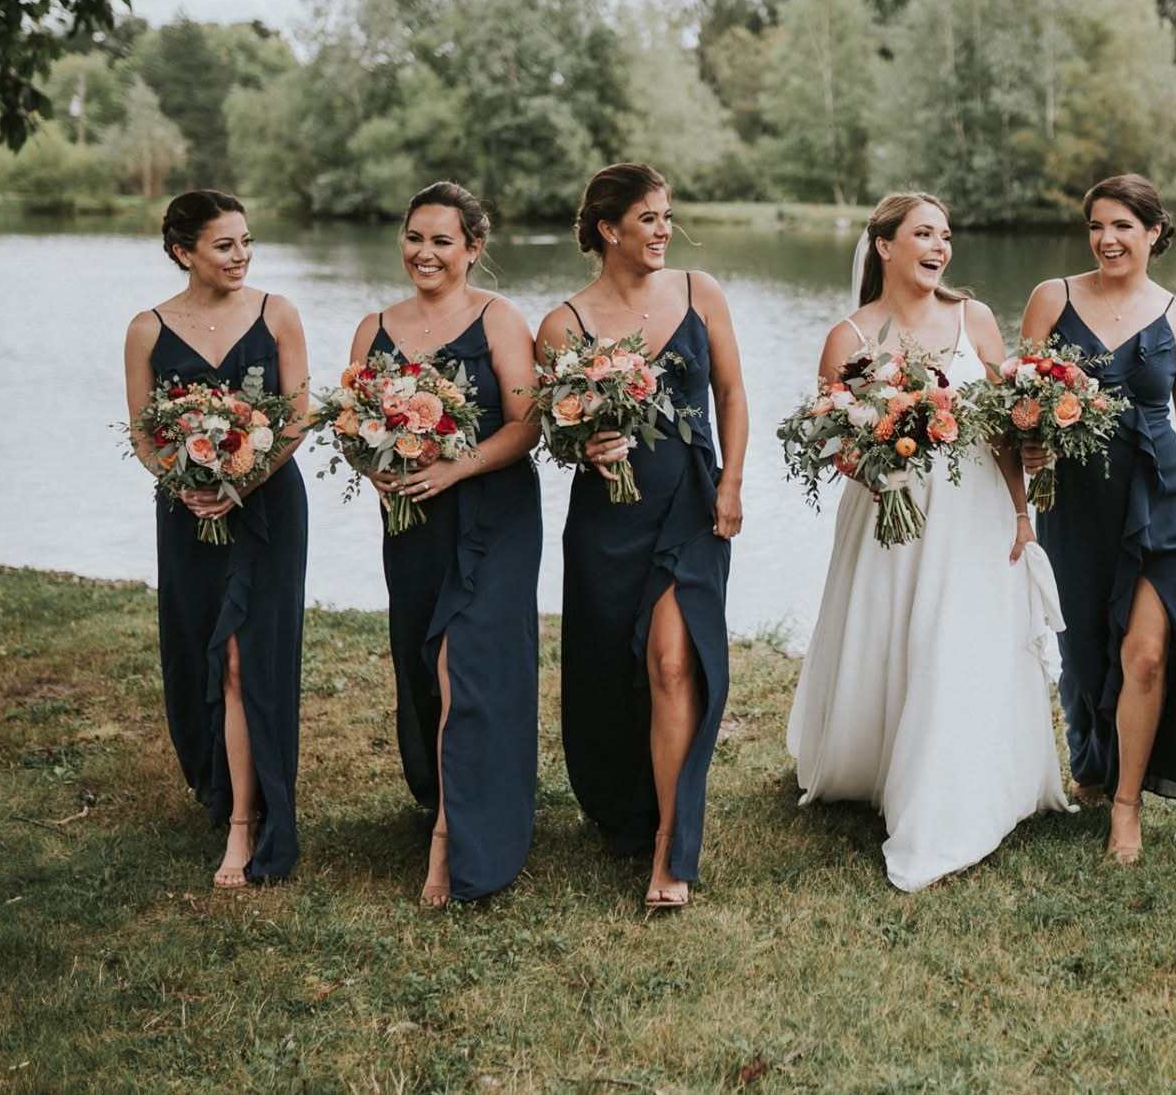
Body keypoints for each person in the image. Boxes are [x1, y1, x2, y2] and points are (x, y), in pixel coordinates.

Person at [787, 192, 1069, 891]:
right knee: (897, 639)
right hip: (893, 514)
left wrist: (1022, 511)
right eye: (923, 233)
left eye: (945, 234)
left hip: (974, 510)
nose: (940, 245)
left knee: (959, 641)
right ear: (884, 245)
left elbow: (1004, 425)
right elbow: (829, 439)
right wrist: (883, 468)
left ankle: (960, 788)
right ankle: (885, 766)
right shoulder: (851, 335)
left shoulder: (974, 317)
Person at [1021, 174, 1176, 864]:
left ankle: (1127, 806)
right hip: (1077, 499)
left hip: (1162, 495)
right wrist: (1028, 446)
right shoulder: (1052, 298)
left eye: (1123, 225)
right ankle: (1092, 763)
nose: (1107, 239)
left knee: (1147, 652)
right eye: (1097, 225)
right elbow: (1021, 402)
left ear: (1155, 232)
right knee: (1087, 650)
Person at [542, 163, 748, 909]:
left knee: (671, 661)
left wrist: (731, 482)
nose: (665, 230)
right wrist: (583, 445)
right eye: (650, 218)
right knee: (606, 673)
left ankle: (671, 841)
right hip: (607, 517)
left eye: (667, 216)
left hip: (691, 501)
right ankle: (622, 802)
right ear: (608, 229)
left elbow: (729, 392)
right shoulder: (563, 323)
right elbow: (557, 428)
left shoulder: (702, 293)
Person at [350, 182, 542, 907]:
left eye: (441, 240)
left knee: (471, 660)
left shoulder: (498, 319)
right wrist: (377, 470)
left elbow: (528, 425)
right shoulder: (374, 327)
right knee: (424, 660)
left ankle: (452, 841)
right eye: (414, 238)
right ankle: (444, 794)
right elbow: (356, 427)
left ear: (472, 248)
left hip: (493, 512)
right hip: (415, 521)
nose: (424, 253)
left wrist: (455, 465)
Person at [121, 190, 307, 887]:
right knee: (200, 646)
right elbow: (143, 432)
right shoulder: (147, 329)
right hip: (189, 510)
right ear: (183, 252)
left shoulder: (276, 313)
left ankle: (245, 825)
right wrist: (186, 478)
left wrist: (241, 480)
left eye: (247, 241)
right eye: (225, 244)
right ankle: (219, 780)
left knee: (244, 656)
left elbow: (295, 417)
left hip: (267, 507)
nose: (242, 255)